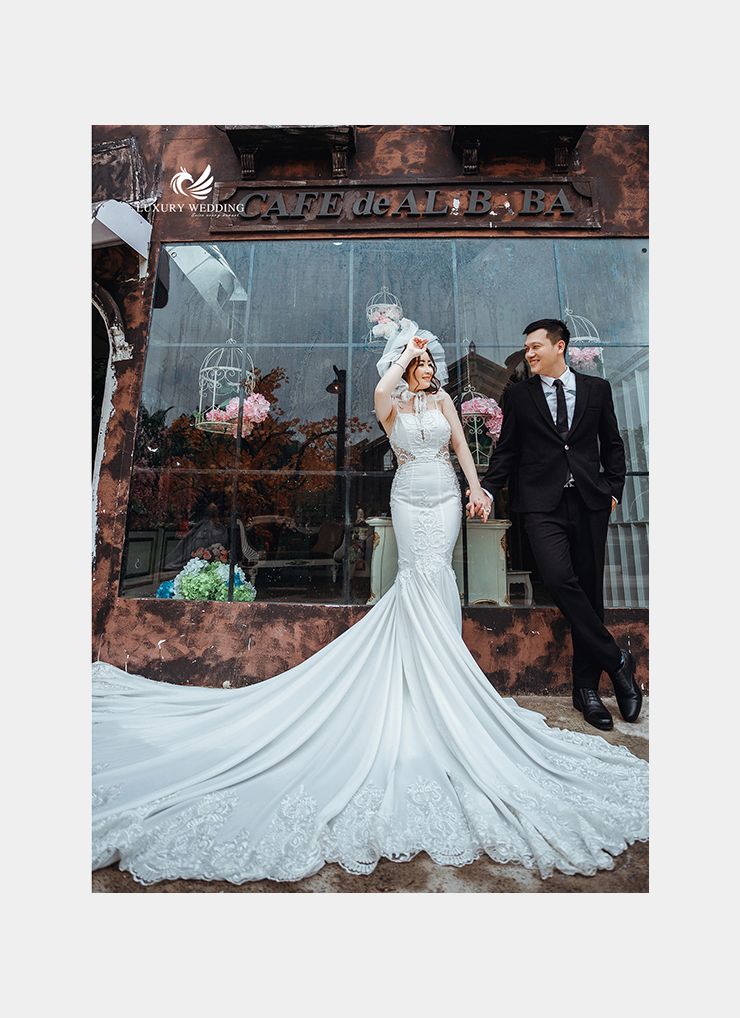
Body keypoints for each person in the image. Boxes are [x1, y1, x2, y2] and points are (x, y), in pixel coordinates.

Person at [92, 316, 647, 886]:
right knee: (417, 575)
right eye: (420, 364)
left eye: (429, 364)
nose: (427, 369)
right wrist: (408, 348)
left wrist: (478, 488)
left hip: (446, 498)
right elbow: (382, 387)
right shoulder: (391, 406)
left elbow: (463, 449)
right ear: (407, 368)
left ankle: (455, 674)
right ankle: (425, 677)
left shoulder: (446, 403)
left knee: (440, 577)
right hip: (409, 497)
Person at [469, 319, 642, 732]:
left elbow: (612, 445)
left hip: (589, 502)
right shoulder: (518, 395)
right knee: (559, 578)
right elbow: (507, 451)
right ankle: (617, 660)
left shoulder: (597, 390)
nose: (528, 353)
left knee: (589, 593)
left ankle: (586, 691)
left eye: (535, 346)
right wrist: (487, 489)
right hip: (541, 506)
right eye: (526, 348)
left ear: (559, 346)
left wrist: (613, 490)